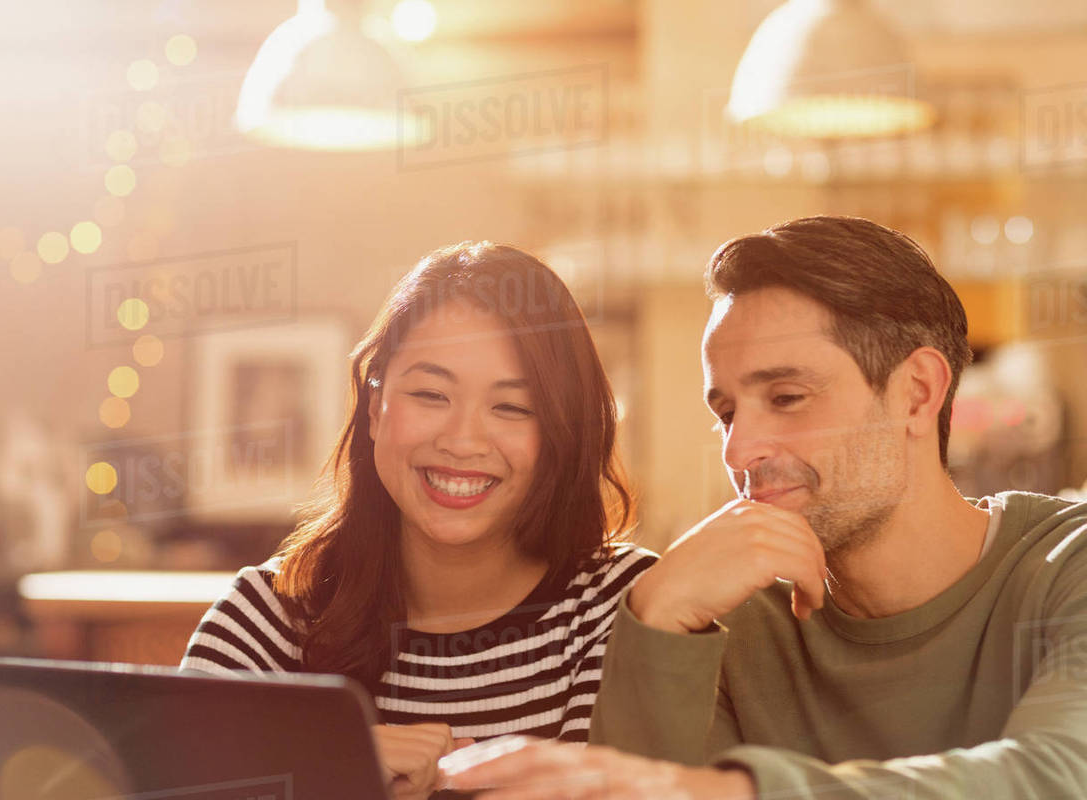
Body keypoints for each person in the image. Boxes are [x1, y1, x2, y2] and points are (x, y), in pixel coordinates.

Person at [441, 216, 1087, 799]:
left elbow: (1053, 776)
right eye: (725, 413)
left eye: (787, 397)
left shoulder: (1068, 568)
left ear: (917, 393)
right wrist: (655, 619)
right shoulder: (722, 622)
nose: (741, 449)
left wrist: (722, 793)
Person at [180, 242, 657, 799]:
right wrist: (332, 773)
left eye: (512, 407)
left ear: (560, 434)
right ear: (376, 407)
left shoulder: (620, 608)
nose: (461, 441)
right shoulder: (267, 620)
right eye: (431, 394)